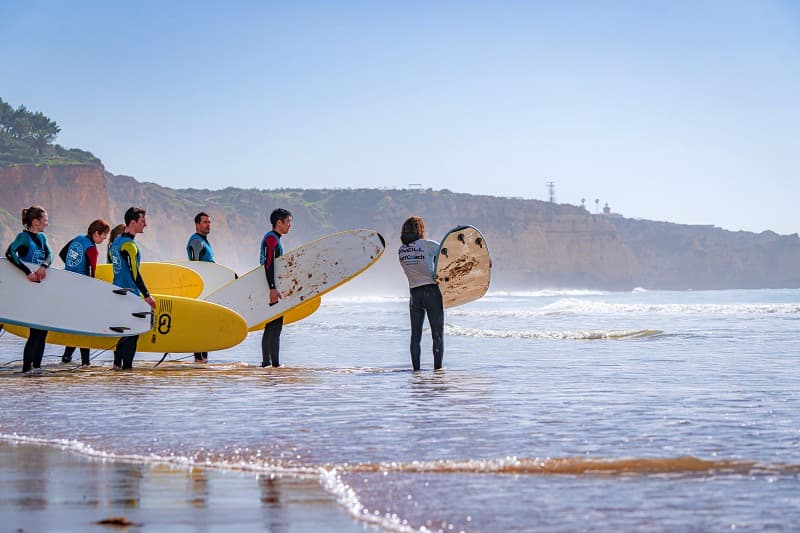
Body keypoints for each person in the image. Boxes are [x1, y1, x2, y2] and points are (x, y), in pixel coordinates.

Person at [5, 206, 53, 373]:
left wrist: (43, 266)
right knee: (35, 332)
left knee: (42, 330)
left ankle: (36, 369)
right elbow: (10, 253)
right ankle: (27, 369)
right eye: (45, 220)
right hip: (28, 291)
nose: (47, 223)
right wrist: (28, 272)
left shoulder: (42, 238)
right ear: (35, 222)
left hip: (40, 292)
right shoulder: (24, 237)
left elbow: (50, 254)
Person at [58, 219, 111, 365]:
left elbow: (62, 253)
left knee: (76, 324)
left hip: (68, 285)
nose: (105, 238)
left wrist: (72, 267)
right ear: (96, 233)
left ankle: (66, 358)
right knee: (85, 326)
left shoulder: (78, 238)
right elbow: (91, 273)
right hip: (81, 289)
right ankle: (85, 364)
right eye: (104, 235)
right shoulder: (92, 249)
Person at [109, 207, 156, 369]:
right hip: (129, 295)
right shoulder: (129, 245)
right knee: (133, 334)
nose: (146, 225)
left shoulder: (115, 242)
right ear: (133, 222)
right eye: (143, 221)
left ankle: (117, 368)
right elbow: (135, 274)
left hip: (117, 292)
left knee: (125, 332)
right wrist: (147, 295)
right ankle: (127, 371)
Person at [398, 216, 444, 371]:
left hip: (414, 295)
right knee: (437, 335)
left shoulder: (401, 250)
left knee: (415, 336)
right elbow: (449, 253)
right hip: (431, 292)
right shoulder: (427, 245)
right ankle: (438, 371)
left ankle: (416, 371)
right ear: (420, 229)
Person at [259, 208, 292, 368]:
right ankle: (275, 366)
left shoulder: (273, 238)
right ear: (279, 223)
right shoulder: (272, 239)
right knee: (275, 327)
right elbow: (268, 264)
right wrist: (272, 287)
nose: (289, 225)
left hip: (269, 285)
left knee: (270, 326)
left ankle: (267, 365)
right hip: (270, 286)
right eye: (288, 221)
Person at [186, 211, 214, 362]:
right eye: (205, 222)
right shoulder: (196, 241)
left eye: (209, 222)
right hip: (202, 288)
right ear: (197, 225)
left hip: (208, 287)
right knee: (201, 323)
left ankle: (202, 362)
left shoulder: (204, 241)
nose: (208, 225)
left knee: (206, 324)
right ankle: (199, 359)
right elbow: (196, 266)